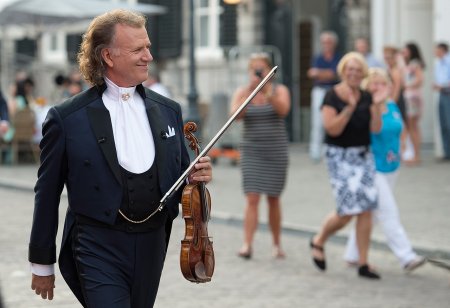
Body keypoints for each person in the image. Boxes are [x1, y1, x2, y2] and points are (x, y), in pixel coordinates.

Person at [28, 9, 212, 307]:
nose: (148, 57)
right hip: (96, 245)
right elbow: (46, 193)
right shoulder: (66, 118)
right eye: (138, 49)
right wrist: (41, 263)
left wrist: (196, 178)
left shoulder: (169, 110)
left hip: (153, 244)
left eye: (148, 47)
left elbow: (178, 179)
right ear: (108, 56)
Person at [343, 68, 426, 272]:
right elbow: (375, 129)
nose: (378, 87)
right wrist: (377, 105)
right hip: (373, 168)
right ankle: (406, 256)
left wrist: (405, 146)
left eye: (382, 83)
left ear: (389, 86)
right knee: (388, 211)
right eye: (374, 83)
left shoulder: (392, 104)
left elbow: (400, 128)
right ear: (367, 87)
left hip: (391, 167)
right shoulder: (369, 107)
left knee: (370, 213)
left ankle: (352, 253)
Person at [309, 52, 383, 279]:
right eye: (349, 69)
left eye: (358, 70)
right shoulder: (332, 96)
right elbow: (332, 129)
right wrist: (349, 108)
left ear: (363, 74)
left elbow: (376, 129)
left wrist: (378, 105)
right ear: (343, 71)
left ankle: (363, 262)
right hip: (339, 157)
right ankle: (319, 240)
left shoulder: (367, 95)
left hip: (363, 155)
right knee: (347, 211)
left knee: (366, 209)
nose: (353, 73)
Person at [230, 52, 291, 259]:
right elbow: (235, 116)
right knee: (252, 197)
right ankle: (247, 244)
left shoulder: (280, 90)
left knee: (273, 198)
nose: (258, 73)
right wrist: (250, 93)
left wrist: (268, 92)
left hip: (275, 151)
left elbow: (283, 110)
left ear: (270, 71)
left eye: (261, 69)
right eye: (254, 69)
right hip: (252, 151)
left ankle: (276, 244)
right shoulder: (244, 91)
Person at [307, 31, 341, 162]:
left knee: (332, 121)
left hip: (333, 90)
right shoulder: (318, 57)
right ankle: (315, 152)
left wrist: (320, 73)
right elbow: (311, 73)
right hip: (319, 90)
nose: (326, 45)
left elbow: (334, 74)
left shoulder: (337, 57)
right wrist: (326, 74)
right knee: (317, 122)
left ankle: (330, 151)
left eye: (329, 42)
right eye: (324, 42)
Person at [401, 42, 426, 165]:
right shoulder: (409, 64)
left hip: (412, 97)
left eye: (405, 51)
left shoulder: (414, 64)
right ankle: (413, 153)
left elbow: (420, 80)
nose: (403, 53)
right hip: (411, 97)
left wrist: (406, 85)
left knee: (412, 126)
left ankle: (416, 155)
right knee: (411, 126)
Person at [433, 42, 450, 161]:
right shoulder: (438, 63)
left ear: (443, 50)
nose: (435, 52)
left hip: (447, 93)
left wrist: (442, 86)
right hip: (442, 94)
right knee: (443, 124)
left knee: (449, 124)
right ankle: (447, 152)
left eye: (437, 50)